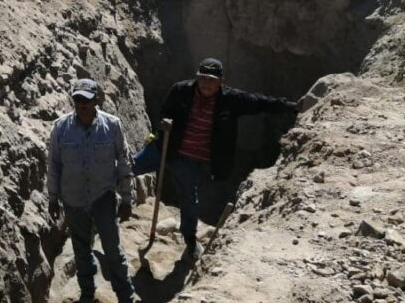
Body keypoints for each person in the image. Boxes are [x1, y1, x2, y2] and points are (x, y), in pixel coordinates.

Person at [133, 57, 298, 261]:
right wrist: (164, 123)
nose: (206, 84)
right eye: (203, 78)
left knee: (188, 201)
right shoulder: (181, 90)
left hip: (189, 160)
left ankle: (190, 241)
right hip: (165, 146)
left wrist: (291, 107)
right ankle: (99, 198)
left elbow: (260, 103)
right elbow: (165, 110)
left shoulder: (230, 100)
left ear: (221, 81)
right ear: (197, 77)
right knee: (130, 167)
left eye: (211, 80)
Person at [47, 78, 136, 303]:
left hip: (103, 197)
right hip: (73, 199)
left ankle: (126, 295)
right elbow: (54, 165)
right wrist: (53, 197)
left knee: (113, 250)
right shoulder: (60, 128)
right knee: (81, 250)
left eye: (86, 100)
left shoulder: (112, 126)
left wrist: (127, 199)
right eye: (77, 100)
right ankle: (87, 294)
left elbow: (124, 162)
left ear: (96, 100)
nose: (81, 105)